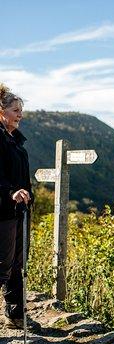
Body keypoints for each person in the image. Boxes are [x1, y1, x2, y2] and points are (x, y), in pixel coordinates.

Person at [0, 83, 38, 330]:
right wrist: (11, 191)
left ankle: (15, 315)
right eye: (15, 110)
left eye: (21, 110)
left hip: (19, 211)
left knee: (17, 265)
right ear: (1, 111)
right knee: (2, 266)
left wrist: (25, 195)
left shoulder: (15, 140)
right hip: (2, 212)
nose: (20, 115)